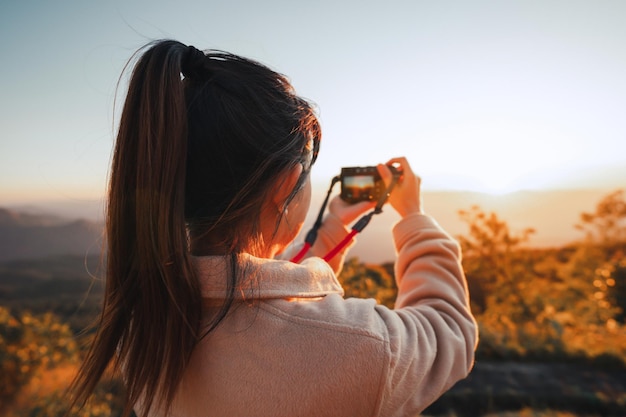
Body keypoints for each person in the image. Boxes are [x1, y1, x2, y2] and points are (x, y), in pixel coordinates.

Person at [69, 39, 478, 417]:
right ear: (285, 187)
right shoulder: (360, 348)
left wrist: (334, 224)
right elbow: (450, 330)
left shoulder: (145, 329)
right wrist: (414, 217)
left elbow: (267, 303)